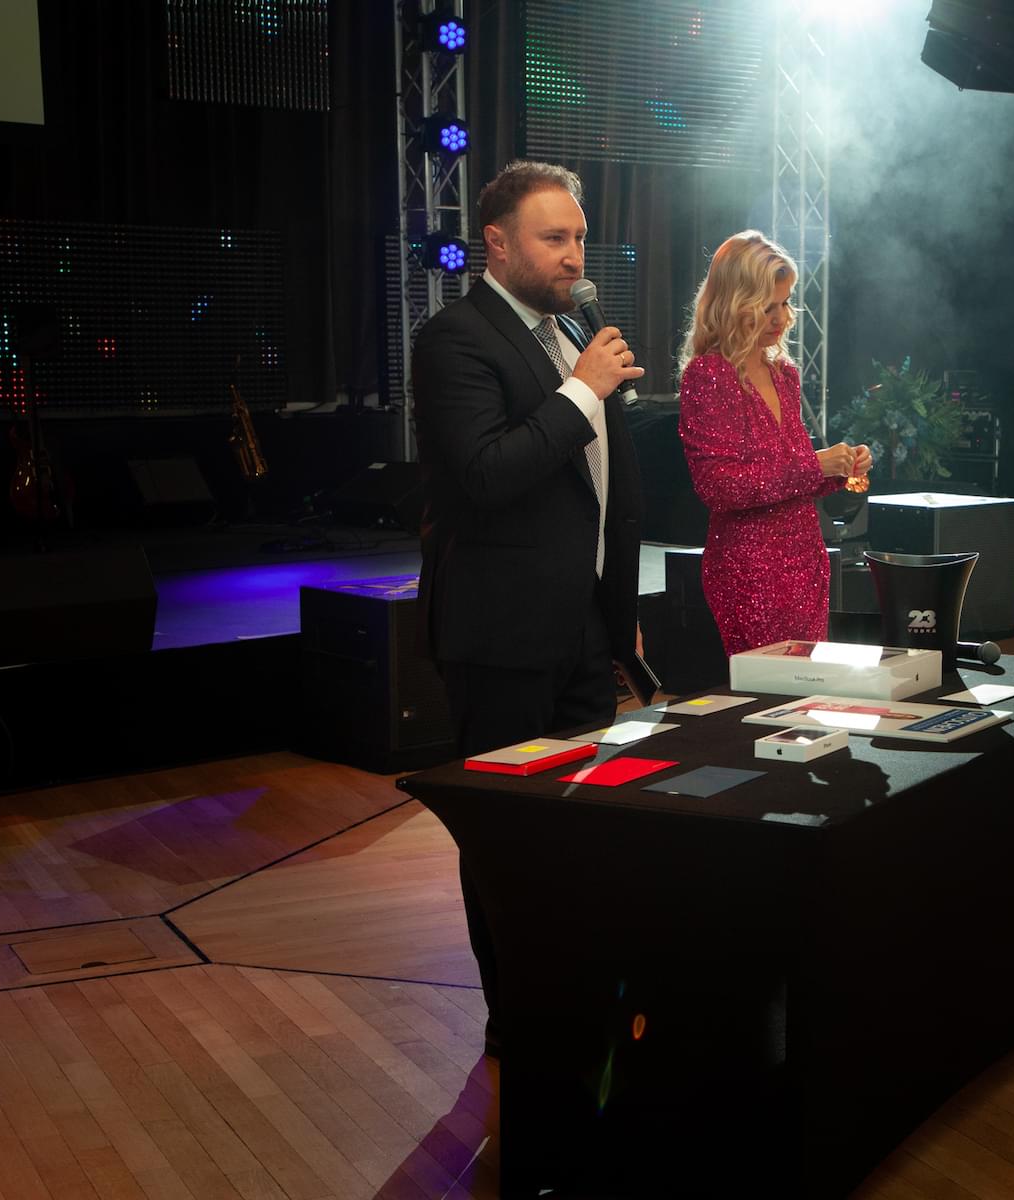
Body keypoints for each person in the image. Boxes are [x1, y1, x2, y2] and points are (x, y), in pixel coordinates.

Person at [411, 160, 646, 1048]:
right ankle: (516, 1023)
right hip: (500, 638)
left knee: (585, 830)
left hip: (582, 629)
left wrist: (616, 609)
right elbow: (484, 476)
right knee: (508, 838)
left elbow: (604, 493)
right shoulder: (455, 339)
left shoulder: (569, 333)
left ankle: (577, 1003)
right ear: (499, 243)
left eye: (579, 236)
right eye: (554, 238)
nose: (574, 255)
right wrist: (583, 389)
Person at [676, 231, 872, 655]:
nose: (781, 317)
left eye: (785, 303)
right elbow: (720, 487)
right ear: (735, 304)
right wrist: (816, 465)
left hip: (807, 561)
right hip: (750, 572)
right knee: (766, 690)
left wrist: (840, 468)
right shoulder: (709, 376)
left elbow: (791, 476)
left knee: (806, 687)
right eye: (768, 307)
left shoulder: (784, 374)